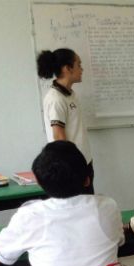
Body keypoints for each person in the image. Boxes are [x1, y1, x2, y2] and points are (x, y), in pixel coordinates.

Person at [37, 48, 95, 194]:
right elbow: (58, 136)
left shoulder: (70, 94)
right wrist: (72, 166)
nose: (81, 69)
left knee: (88, 207)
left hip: (84, 162)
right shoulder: (56, 99)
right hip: (72, 168)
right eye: (78, 65)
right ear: (67, 68)